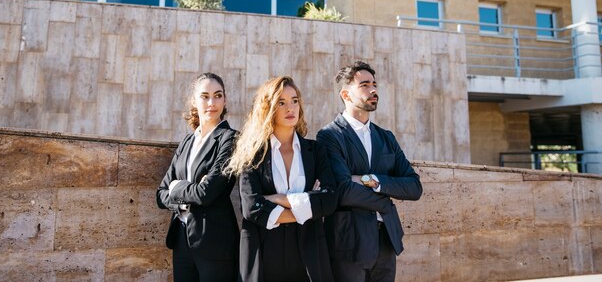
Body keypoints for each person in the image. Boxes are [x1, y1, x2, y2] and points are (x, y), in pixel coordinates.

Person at [316, 61, 423, 282]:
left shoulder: (386, 137)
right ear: (346, 94)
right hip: (348, 243)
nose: (373, 90)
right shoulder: (329, 136)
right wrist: (385, 201)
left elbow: (414, 187)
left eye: (374, 84)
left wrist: (372, 180)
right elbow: (343, 189)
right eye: (364, 85)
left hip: (386, 241)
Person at [224, 76, 337, 282]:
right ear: (267, 108)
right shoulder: (252, 153)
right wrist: (307, 207)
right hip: (265, 252)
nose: (290, 108)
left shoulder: (315, 150)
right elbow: (252, 208)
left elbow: (329, 200)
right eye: (281, 102)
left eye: (294, 100)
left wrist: (277, 199)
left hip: (308, 253)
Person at [157, 72, 239, 282]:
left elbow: (206, 193)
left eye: (218, 95)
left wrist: (176, 187)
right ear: (194, 101)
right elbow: (160, 194)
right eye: (205, 96)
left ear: (225, 99)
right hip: (181, 239)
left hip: (215, 242)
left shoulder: (230, 139)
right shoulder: (187, 142)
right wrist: (184, 193)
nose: (212, 102)